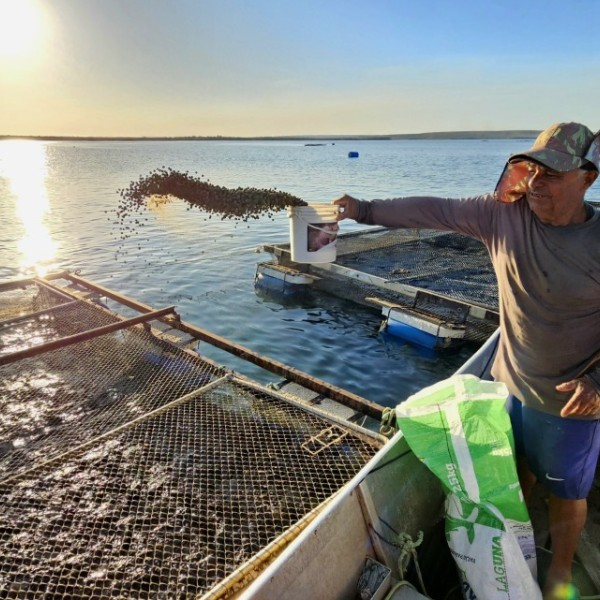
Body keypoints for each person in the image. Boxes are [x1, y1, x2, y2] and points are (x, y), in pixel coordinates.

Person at [333, 122, 600, 599]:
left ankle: (559, 569)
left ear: (588, 178)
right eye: (532, 169)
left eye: (554, 175)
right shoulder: (503, 216)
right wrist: (365, 209)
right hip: (507, 379)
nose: (537, 184)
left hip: (569, 402)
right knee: (516, 468)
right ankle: (517, 537)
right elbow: (435, 209)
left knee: (568, 492)